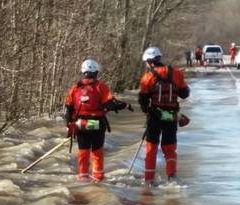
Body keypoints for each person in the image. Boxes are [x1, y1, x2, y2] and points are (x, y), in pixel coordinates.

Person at [65, 59, 130, 182]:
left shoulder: (75, 88)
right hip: (97, 125)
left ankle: (83, 178)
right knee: (97, 152)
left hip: (80, 125)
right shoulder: (101, 86)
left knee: (83, 153)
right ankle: (98, 178)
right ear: (95, 72)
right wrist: (125, 105)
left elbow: (68, 108)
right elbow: (111, 104)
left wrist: (68, 125)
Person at [138, 47, 190, 186]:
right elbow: (185, 94)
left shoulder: (147, 77)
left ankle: (149, 180)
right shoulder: (176, 73)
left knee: (151, 148)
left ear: (149, 62)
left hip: (155, 116)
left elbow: (143, 100)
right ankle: (172, 176)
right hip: (172, 117)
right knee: (169, 147)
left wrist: (147, 111)